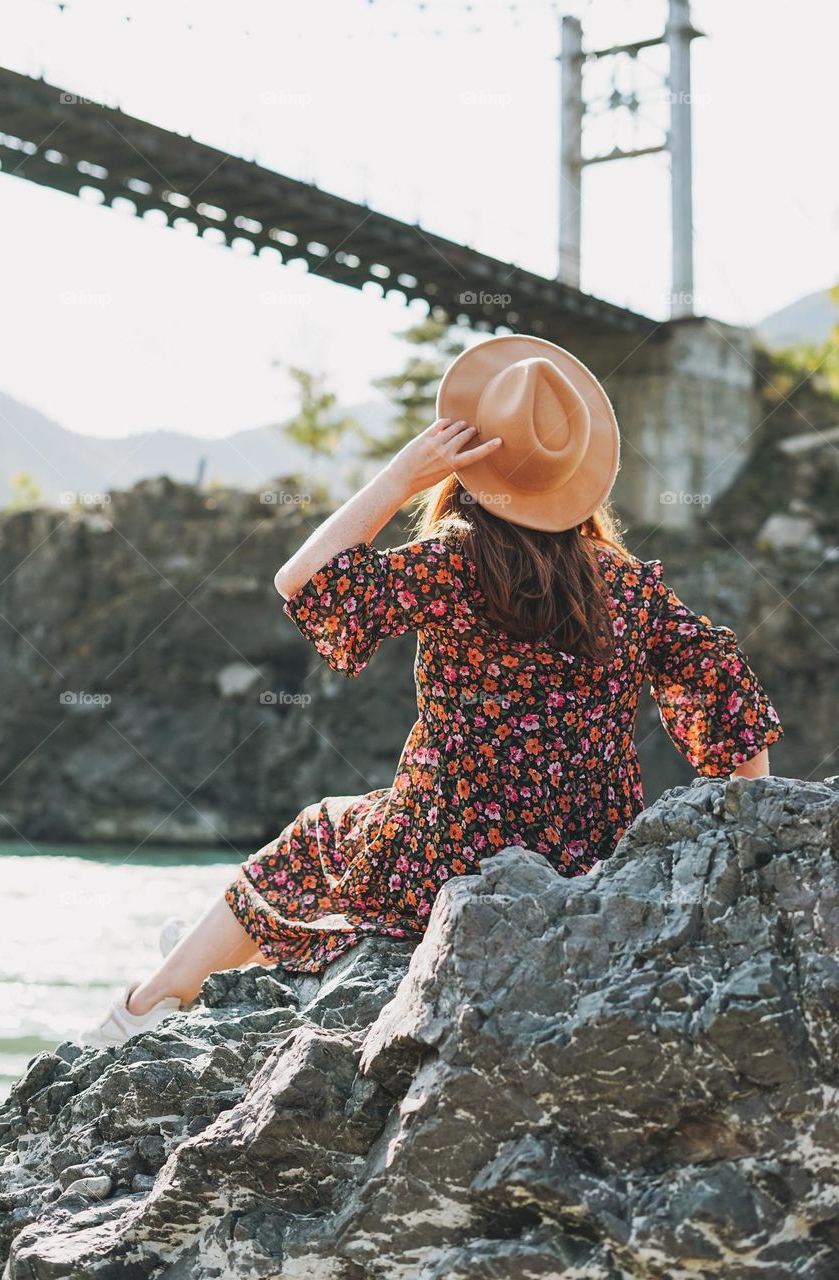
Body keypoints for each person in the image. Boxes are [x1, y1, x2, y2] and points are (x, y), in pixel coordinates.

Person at [79, 335, 784, 1047]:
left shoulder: (453, 562)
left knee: (320, 832)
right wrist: (746, 826)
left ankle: (155, 996)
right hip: (589, 857)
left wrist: (397, 477)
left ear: (470, 464)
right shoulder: (626, 585)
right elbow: (722, 680)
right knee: (335, 837)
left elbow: (302, 582)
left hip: (446, 851)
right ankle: (210, 959)